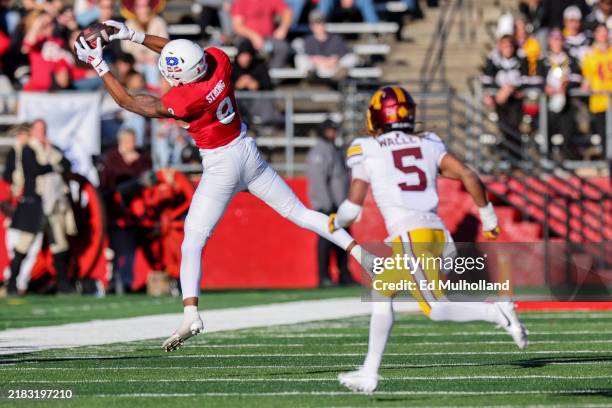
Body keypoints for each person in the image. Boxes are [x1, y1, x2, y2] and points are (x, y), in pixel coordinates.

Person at [74, 21, 375, 351]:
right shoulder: (218, 62)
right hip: (247, 152)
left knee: (193, 239)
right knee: (301, 213)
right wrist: (132, 35)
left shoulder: (185, 98)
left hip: (221, 166)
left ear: (180, 76)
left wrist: (99, 64)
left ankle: (191, 313)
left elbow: (130, 102)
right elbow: (180, 51)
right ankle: (360, 252)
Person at [331, 86, 528, 394]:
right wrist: (488, 219)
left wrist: (337, 221)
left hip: (412, 237)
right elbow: (469, 175)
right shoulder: (429, 142)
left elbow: (352, 206)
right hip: (435, 233)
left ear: (377, 116)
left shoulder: (366, 148)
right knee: (382, 291)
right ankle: (369, 372)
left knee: (435, 308)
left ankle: (495, 310)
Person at [99, 128, 153, 293]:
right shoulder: (112, 158)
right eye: (129, 140)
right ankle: (114, 281)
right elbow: (107, 185)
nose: (132, 144)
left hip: (138, 213)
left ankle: (126, 282)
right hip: (116, 212)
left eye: (133, 140)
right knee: (115, 250)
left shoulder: (143, 158)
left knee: (129, 250)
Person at [307, 119, 356, 287]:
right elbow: (318, 180)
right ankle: (324, 276)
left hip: (340, 204)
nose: (333, 133)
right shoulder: (320, 151)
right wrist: (327, 205)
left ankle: (344, 274)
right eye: (329, 130)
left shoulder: (334, 149)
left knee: (344, 241)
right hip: (328, 205)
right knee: (326, 242)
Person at [481, 34, 524, 159]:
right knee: (504, 128)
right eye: (504, 46)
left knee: (514, 128)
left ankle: (516, 159)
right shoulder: (494, 61)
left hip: (515, 101)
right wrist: (492, 93)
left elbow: (526, 79)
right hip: (500, 101)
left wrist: (510, 88)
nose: (507, 48)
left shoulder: (520, 59)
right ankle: (506, 158)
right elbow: (486, 80)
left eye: (510, 45)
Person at [542, 29, 582, 158]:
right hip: (547, 102)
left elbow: (578, 78)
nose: (557, 42)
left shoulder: (570, 59)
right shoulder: (544, 59)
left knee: (567, 132)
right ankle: (547, 160)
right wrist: (546, 87)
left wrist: (566, 84)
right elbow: (535, 79)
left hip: (567, 102)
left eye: (559, 39)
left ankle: (566, 159)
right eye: (554, 39)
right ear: (549, 41)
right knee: (547, 131)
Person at [231, 39, 281, 128]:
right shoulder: (232, 67)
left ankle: (267, 127)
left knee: (267, 103)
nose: (245, 59)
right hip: (237, 104)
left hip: (256, 103)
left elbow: (269, 87)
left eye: (247, 56)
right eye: (242, 56)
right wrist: (237, 85)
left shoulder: (260, 66)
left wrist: (257, 85)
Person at [295, 10, 358, 80]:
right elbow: (307, 55)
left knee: (351, 57)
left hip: (335, 66)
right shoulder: (308, 40)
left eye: (321, 23)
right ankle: (310, 74)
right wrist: (319, 60)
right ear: (311, 26)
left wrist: (334, 59)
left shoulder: (335, 37)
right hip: (316, 67)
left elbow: (343, 53)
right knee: (300, 58)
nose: (319, 26)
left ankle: (340, 73)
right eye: (316, 24)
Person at [230, 0, 292, 69]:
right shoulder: (241, 2)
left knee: (282, 47)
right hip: (246, 38)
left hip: (268, 38)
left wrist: (283, 28)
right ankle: (245, 75)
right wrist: (254, 36)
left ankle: (273, 77)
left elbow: (287, 12)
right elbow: (238, 26)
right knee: (243, 50)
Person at [582, 24, 612, 157]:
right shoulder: (590, 55)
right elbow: (587, 79)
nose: (603, 35)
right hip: (599, 101)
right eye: (600, 32)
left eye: (605, 32)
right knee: (604, 134)